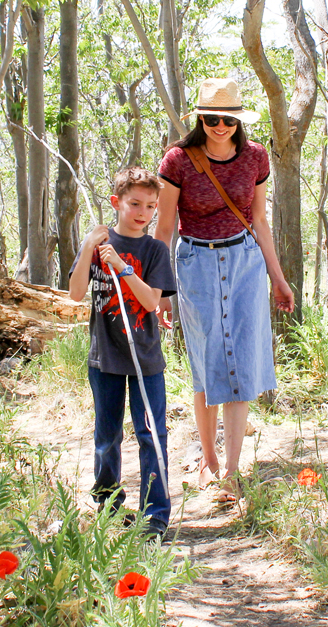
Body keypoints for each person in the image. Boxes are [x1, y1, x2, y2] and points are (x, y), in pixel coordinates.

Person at [156, 77, 295, 498]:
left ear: (239, 120)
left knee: (243, 364)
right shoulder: (177, 161)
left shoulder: (255, 158)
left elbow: (260, 221)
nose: (220, 126)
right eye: (212, 119)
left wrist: (278, 277)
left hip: (245, 264)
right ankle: (209, 461)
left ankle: (233, 469)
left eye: (228, 120)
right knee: (207, 362)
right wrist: (162, 289)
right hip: (196, 262)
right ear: (200, 118)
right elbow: (165, 228)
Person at [68, 166, 178, 540]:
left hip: (145, 359)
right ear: (116, 203)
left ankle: (156, 515)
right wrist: (88, 250)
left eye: (150, 206)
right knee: (107, 434)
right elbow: (75, 294)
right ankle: (108, 505)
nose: (143, 213)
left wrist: (122, 267)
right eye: (134, 204)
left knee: (151, 434)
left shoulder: (154, 250)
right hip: (106, 359)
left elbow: (151, 301)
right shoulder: (99, 244)